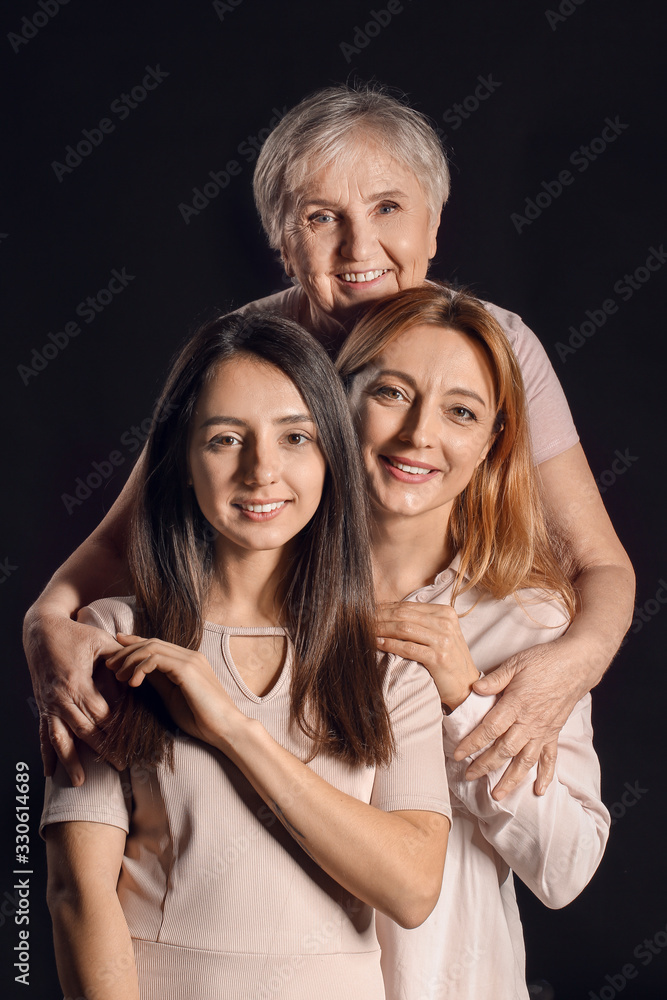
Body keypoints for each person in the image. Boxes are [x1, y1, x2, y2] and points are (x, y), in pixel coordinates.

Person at [24, 83, 634, 800]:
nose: (358, 246)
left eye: (387, 208)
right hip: (271, 666)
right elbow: (118, 542)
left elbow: (598, 562)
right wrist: (43, 627)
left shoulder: (495, 346)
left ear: (433, 226)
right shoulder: (243, 350)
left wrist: (570, 666)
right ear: (282, 241)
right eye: (321, 217)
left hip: (420, 666)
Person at [40, 312, 450, 1000]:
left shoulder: (387, 661)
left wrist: (232, 730)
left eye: (296, 437)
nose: (262, 470)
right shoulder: (108, 641)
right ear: (182, 459)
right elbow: (77, 896)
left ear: (330, 459)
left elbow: (410, 889)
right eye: (227, 439)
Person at [336, 283, 611, 999]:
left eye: (460, 412)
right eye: (391, 393)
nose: (420, 435)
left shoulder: (528, 622)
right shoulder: (258, 595)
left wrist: (462, 700)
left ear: (492, 440)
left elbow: (565, 869)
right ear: (339, 397)